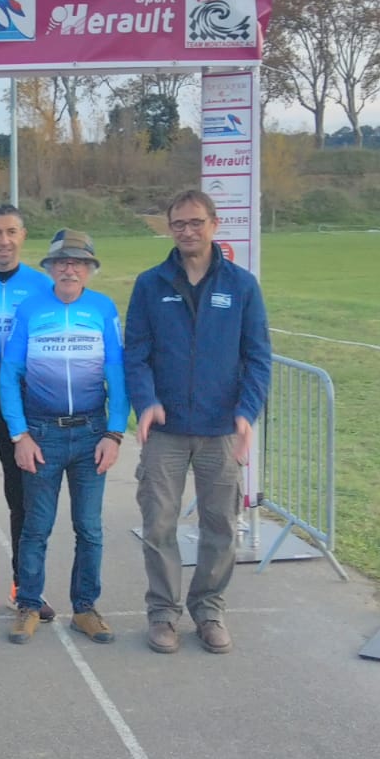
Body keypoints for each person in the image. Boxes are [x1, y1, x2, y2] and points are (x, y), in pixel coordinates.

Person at [125, 190, 271, 655]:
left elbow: (258, 358)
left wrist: (246, 413)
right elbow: (137, 355)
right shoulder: (150, 285)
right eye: (178, 224)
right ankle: (163, 613)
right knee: (159, 526)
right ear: (170, 229)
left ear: (214, 223)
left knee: (220, 527)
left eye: (195, 222)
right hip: (165, 432)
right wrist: (145, 402)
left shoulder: (242, 286)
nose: (187, 231)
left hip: (220, 430)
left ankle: (208, 609)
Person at [0, 229, 128, 646]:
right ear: (51, 268)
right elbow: (9, 374)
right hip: (42, 433)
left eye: (79, 262)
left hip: (92, 432)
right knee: (36, 527)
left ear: (89, 269)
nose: (70, 268)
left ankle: (86, 608)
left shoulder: (103, 308)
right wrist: (19, 435)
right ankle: (29, 604)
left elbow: (117, 375)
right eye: (62, 262)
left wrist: (114, 432)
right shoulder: (31, 309)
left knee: (89, 528)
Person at [0, 204, 58, 622]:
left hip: (23, 406)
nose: (4, 241)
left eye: (12, 232)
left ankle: (26, 587)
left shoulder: (42, 286)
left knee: (24, 500)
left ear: (23, 236)